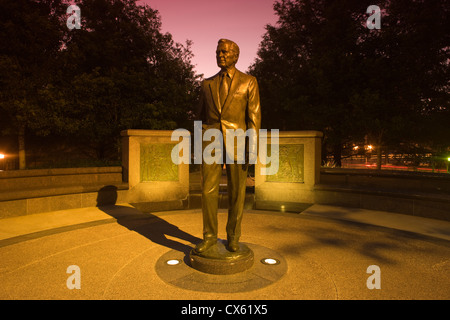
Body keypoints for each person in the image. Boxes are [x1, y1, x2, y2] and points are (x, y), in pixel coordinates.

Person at [195, 39, 261, 253]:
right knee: (207, 191)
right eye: (217, 52)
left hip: (238, 141)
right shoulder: (207, 84)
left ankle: (233, 236)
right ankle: (209, 237)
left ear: (235, 55)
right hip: (211, 142)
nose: (220, 55)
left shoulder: (249, 82)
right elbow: (200, 117)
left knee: (236, 191)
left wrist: (252, 149)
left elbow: (254, 118)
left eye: (224, 52)